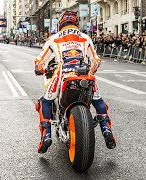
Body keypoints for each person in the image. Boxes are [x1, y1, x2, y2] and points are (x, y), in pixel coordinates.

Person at [34, 11, 116, 154]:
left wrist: (40, 68)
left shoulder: (54, 38)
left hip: (62, 73)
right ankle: (106, 130)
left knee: (45, 101)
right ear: (76, 23)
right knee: (98, 100)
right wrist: (90, 70)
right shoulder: (85, 37)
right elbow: (96, 60)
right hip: (83, 73)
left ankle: (46, 136)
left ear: (60, 24)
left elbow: (39, 61)